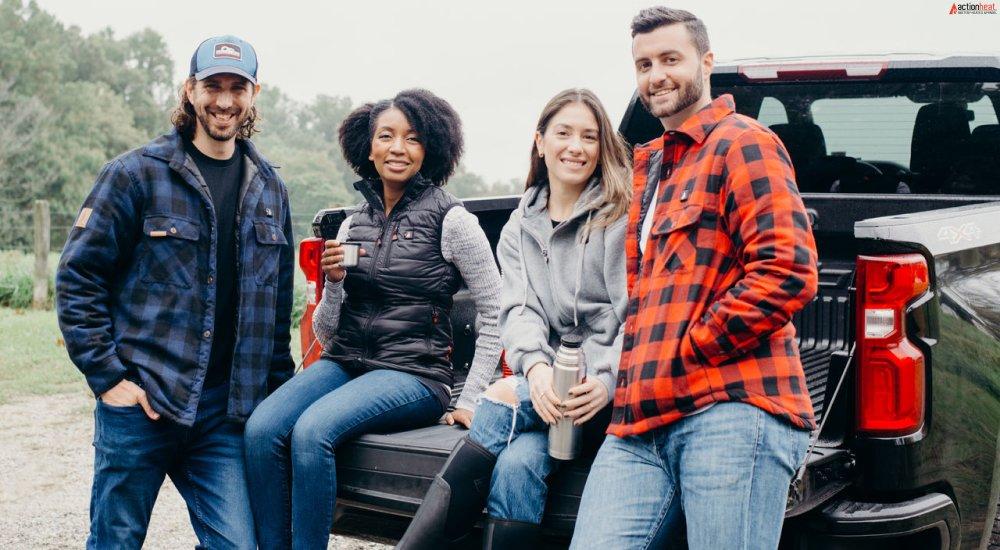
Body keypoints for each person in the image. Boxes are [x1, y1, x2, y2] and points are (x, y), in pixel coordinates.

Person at [570, 7, 820, 549]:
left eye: (669, 59)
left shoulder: (742, 143)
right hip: (639, 420)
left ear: (706, 62)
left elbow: (788, 269)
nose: (655, 75)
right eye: (643, 64)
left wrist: (696, 345)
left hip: (731, 409)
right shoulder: (651, 164)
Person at [55, 35, 291, 549]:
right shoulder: (134, 174)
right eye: (212, 85)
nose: (224, 100)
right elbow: (78, 278)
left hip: (224, 417)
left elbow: (274, 313)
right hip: (142, 401)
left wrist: (275, 402)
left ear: (255, 94)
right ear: (189, 90)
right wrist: (109, 378)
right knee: (115, 541)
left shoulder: (270, 187)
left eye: (237, 87)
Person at [243, 88, 503, 550]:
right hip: (347, 361)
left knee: (312, 431)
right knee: (262, 429)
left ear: (431, 149)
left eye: (412, 138)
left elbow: (494, 312)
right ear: (369, 147)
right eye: (386, 136)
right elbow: (326, 332)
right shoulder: (351, 223)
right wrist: (336, 283)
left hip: (415, 374)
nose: (398, 148)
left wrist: (473, 398)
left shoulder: (453, 220)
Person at [397, 88, 631, 549]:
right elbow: (518, 312)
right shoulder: (519, 226)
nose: (576, 147)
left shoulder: (618, 218)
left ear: (603, 148)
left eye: (589, 136)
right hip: (547, 390)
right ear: (540, 141)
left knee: (500, 400)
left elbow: (633, 316)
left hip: (607, 391)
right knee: (515, 467)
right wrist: (539, 370)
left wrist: (603, 379)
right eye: (563, 133)